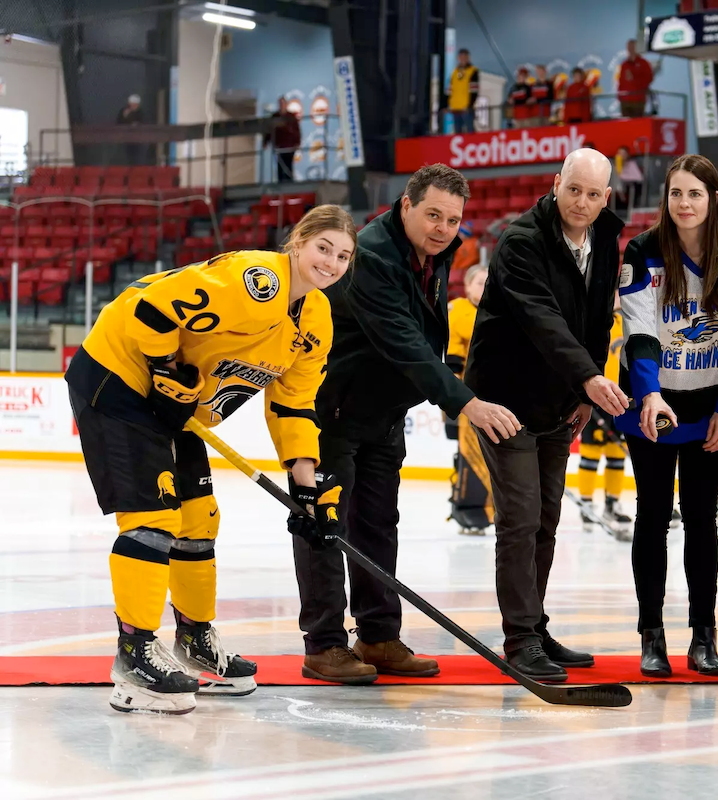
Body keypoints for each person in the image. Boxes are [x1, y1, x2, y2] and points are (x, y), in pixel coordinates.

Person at [63, 204, 357, 714]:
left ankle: (194, 641)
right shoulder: (255, 280)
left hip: (174, 403)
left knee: (199, 519)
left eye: (343, 256)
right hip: (119, 377)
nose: (331, 263)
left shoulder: (316, 317)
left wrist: (305, 485)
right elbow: (149, 308)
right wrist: (163, 367)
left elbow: (292, 402)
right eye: (323, 248)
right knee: (153, 519)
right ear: (297, 243)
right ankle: (133, 656)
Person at [296, 166, 520, 684]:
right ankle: (324, 644)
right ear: (406, 206)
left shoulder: (435, 254)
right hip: (332, 412)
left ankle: (377, 636)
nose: (442, 228)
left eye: (453, 219)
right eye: (433, 215)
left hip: (382, 414)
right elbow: (405, 344)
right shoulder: (370, 253)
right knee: (324, 525)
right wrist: (467, 403)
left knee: (378, 525)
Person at [464, 148, 629, 682]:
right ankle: (521, 640)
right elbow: (542, 319)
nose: (582, 202)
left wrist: (584, 390)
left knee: (548, 519)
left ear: (607, 197)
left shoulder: (606, 236)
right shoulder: (520, 241)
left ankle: (535, 625)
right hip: (505, 399)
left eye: (594, 194)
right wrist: (589, 378)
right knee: (521, 518)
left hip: (561, 400)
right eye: (573, 189)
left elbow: (599, 316)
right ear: (556, 183)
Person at [616, 154, 718, 678]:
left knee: (702, 518)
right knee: (652, 515)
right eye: (676, 193)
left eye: (695, 193)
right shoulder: (644, 250)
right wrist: (651, 395)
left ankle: (704, 635)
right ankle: (651, 635)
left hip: (707, 406)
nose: (685, 203)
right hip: (653, 404)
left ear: (714, 197)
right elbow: (640, 330)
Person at [577, 294, 634, 540]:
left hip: (624, 400)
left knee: (616, 453)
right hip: (597, 398)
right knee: (591, 451)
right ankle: (586, 503)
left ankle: (613, 503)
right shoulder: (594, 320)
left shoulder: (634, 321)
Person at [446, 264, 493, 536]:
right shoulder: (459, 311)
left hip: (499, 396)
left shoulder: (499, 311)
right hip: (470, 398)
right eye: (479, 282)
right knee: (472, 455)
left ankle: (492, 510)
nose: (485, 287)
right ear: (466, 286)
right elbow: (452, 359)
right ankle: (469, 511)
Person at [617, 39, 655, 118]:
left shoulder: (644, 63)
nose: (630, 49)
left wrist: (634, 79)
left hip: (638, 100)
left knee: (637, 124)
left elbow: (649, 79)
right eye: (629, 47)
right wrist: (620, 96)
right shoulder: (624, 64)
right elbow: (621, 81)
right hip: (625, 100)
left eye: (632, 47)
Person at [446, 48, 480, 134]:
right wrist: (447, 105)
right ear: (458, 58)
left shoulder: (473, 71)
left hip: (466, 108)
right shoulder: (455, 72)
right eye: (461, 57)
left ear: (468, 58)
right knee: (457, 133)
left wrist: (470, 105)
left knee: (470, 132)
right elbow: (450, 90)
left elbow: (474, 91)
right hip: (455, 108)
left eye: (465, 57)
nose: (463, 59)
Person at [271, 96, 302, 183]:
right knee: (280, 166)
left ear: (286, 104)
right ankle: (280, 182)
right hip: (280, 147)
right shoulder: (275, 116)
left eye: (283, 104)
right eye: (280, 104)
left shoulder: (291, 117)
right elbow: (270, 130)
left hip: (290, 146)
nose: (281, 105)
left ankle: (290, 182)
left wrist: (297, 142)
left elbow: (297, 131)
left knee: (289, 165)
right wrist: (266, 141)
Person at [116, 93, 144, 165]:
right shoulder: (124, 111)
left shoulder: (140, 112)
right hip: (125, 138)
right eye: (132, 104)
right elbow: (118, 123)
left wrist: (137, 124)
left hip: (138, 139)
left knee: (137, 158)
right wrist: (125, 116)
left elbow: (144, 122)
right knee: (126, 158)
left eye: (135, 104)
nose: (134, 106)